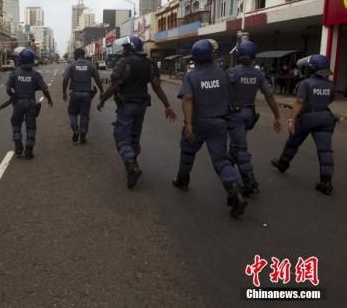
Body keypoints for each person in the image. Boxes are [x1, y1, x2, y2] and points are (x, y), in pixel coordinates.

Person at [172, 39, 247, 218]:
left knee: (188, 151)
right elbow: (233, 99)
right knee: (221, 160)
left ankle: (182, 179)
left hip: (198, 122)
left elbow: (188, 99)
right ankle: (235, 190)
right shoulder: (223, 74)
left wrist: (189, 123)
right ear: (211, 56)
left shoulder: (191, 76)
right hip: (219, 123)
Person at [97, 36, 177, 189]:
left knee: (121, 137)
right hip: (142, 105)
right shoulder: (150, 64)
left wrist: (102, 100)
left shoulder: (124, 62)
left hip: (126, 104)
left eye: (126, 47)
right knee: (134, 137)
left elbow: (114, 86)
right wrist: (167, 105)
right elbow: (156, 86)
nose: (124, 50)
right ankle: (132, 163)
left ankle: (131, 164)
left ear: (130, 49)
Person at [271, 54, 336, 195]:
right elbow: (330, 100)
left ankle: (283, 164)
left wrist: (291, 119)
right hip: (325, 117)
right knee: (325, 150)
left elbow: (299, 103)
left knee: (293, 142)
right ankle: (326, 182)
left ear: (311, 69)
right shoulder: (330, 84)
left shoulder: (306, 83)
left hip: (308, 117)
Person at [227, 40, 281, 196]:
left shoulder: (231, 72)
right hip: (249, 114)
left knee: (241, 148)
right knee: (238, 143)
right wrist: (277, 116)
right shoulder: (258, 74)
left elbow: (223, 94)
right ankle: (227, 167)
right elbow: (269, 95)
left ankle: (250, 181)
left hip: (235, 115)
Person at [6, 48, 53, 159]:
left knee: (16, 124)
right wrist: (49, 99)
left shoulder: (14, 74)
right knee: (31, 127)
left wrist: (13, 96)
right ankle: (28, 150)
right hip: (30, 103)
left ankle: (18, 144)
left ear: (20, 60)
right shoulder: (35, 75)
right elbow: (44, 90)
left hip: (18, 103)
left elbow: (8, 90)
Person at [62, 48, 104, 144]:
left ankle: (75, 129)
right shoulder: (90, 65)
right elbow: (97, 79)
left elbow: (65, 79)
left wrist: (64, 92)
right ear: (84, 55)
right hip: (86, 94)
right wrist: (102, 90)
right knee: (84, 115)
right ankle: (83, 136)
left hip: (75, 94)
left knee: (72, 113)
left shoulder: (71, 65)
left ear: (76, 55)